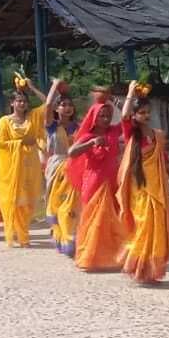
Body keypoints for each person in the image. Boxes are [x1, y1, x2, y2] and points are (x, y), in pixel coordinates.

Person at [117, 82, 169, 283]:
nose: (145, 116)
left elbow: (165, 160)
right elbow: (124, 116)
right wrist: (130, 92)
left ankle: (150, 270)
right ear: (135, 115)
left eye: (148, 112)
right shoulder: (132, 133)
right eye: (141, 113)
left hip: (159, 187)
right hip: (141, 188)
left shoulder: (157, 135)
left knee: (157, 227)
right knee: (144, 226)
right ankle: (137, 266)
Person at [67, 90, 126, 271]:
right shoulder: (88, 136)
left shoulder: (114, 132)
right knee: (93, 220)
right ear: (93, 117)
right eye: (101, 115)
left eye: (107, 115)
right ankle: (89, 258)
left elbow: (127, 122)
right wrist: (91, 143)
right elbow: (72, 153)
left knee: (112, 219)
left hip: (112, 181)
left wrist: (117, 104)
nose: (105, 118)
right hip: (93, 182)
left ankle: (111, 257)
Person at [0, 78, 56, 249]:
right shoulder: (5, 121)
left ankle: (23, 230)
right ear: (12, 103)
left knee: (28, 201)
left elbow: (49, 103)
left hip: (30, 165)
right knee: (15, 200)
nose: (22, 103)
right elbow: (1, 144)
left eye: (24, 101)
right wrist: (21, 143)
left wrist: (32, 87)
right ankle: (21, 235)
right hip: (12, 168)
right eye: (18, 101)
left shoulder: (33, 117)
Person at [42, 90, 80, 257]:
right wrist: (55, 86)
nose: (67, 108)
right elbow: (47, 105)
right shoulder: (52, 126)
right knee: (57, 202)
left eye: (70, 104)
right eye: (63, 105)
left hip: (75, 167)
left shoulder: (78, 127)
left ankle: (71, 237)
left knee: (72, 204)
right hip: (56, 168)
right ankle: (59, 235)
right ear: (57, 108)